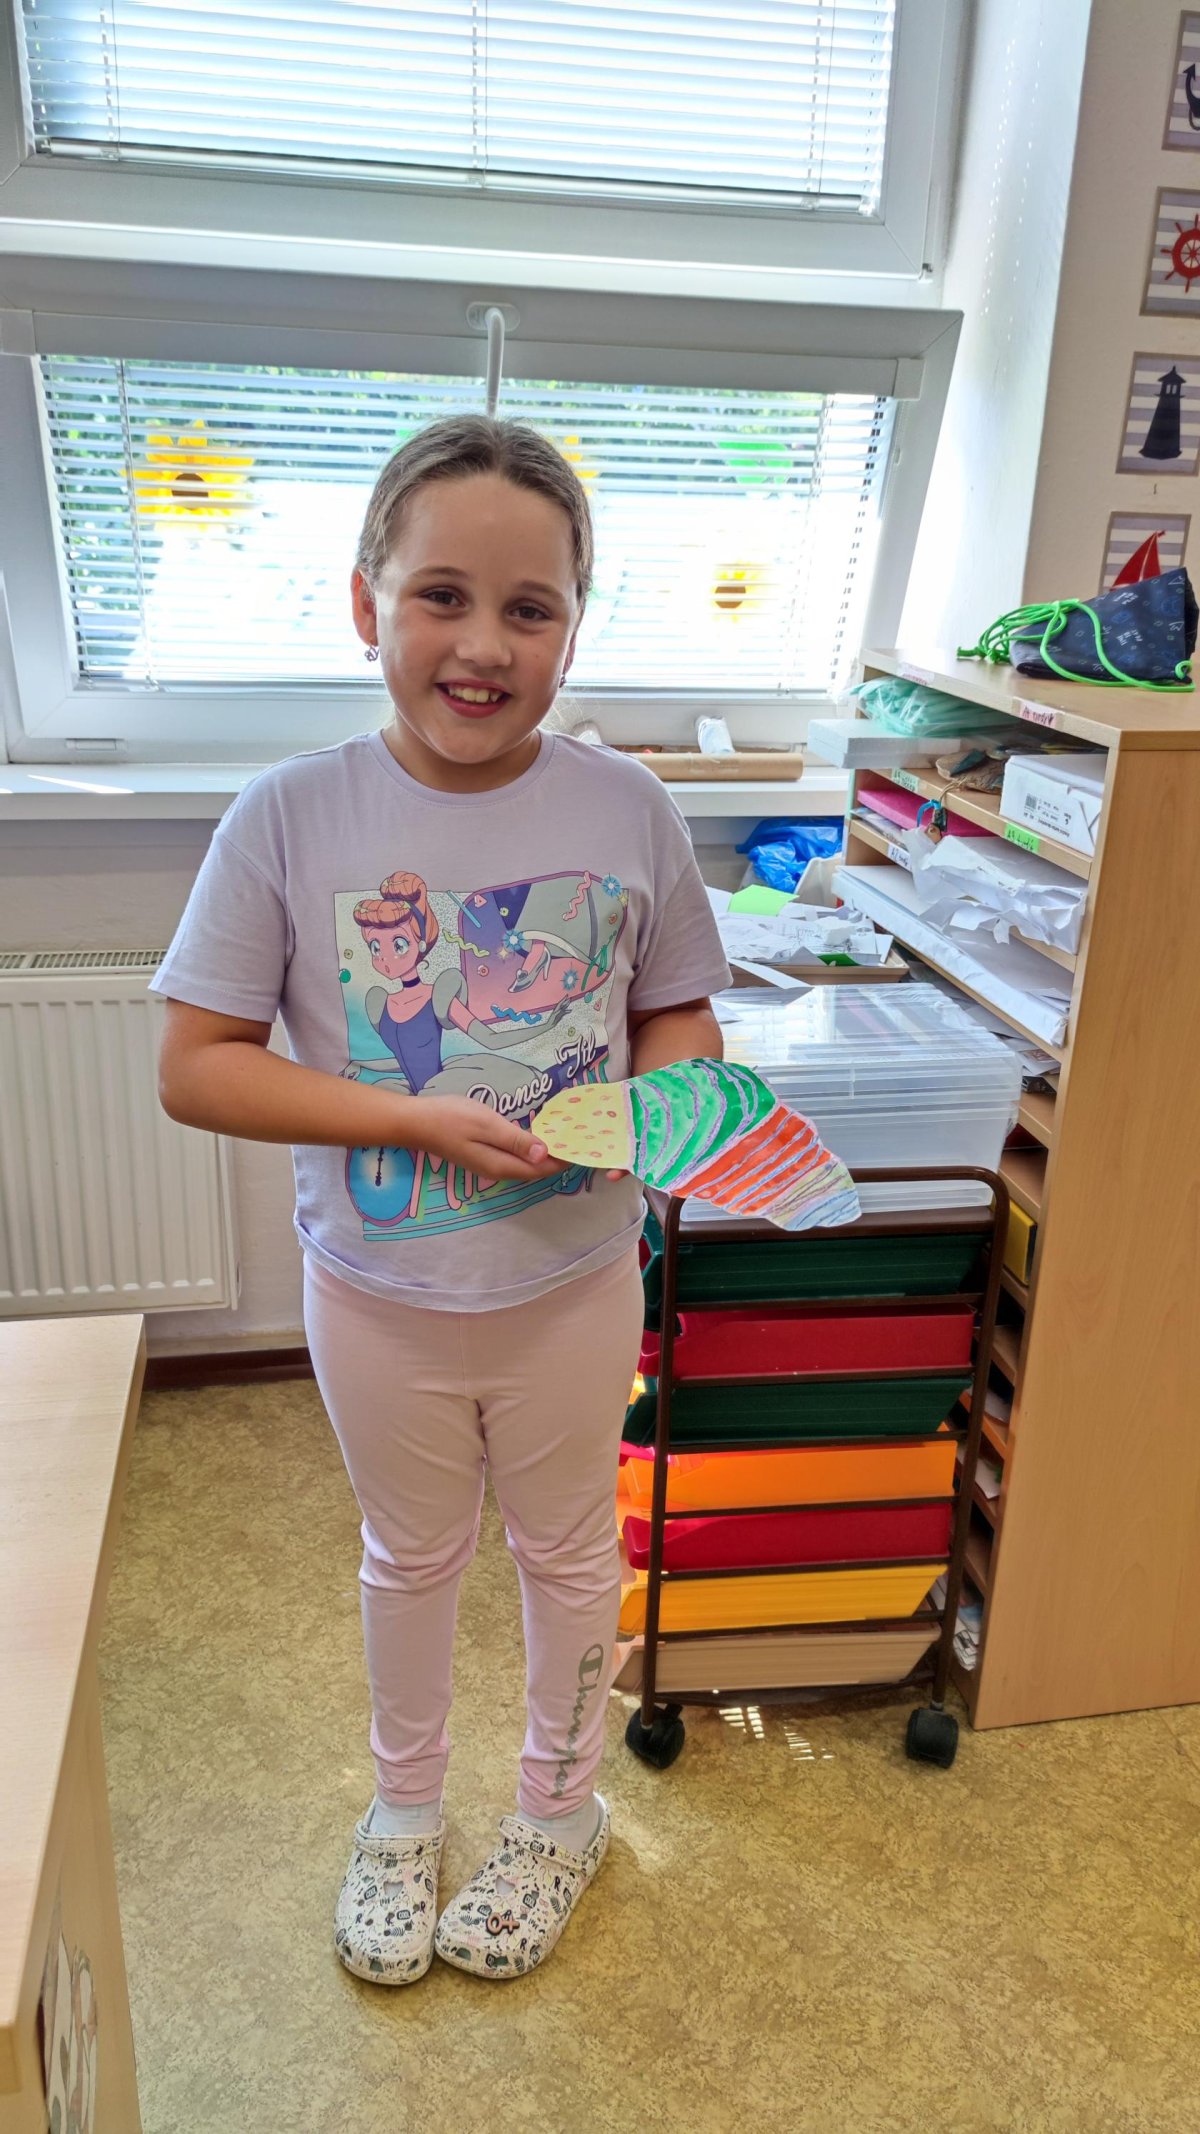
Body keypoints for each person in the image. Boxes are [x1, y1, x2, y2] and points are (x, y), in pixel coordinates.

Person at [153, 414, 731, 1985]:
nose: (483, 644)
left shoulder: (629, 810)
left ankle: (557, 1813)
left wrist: (664, 1100)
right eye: (441, 597)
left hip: (574, 1282)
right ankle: (404, 1811)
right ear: (367, 606)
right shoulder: (289, 815)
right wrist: (410, 1115)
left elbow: (678, 1009)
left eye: (530, 608)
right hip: (378, 1292)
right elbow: (197, 1064)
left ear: (572, 629)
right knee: (409, 1556)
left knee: (567, 1553)